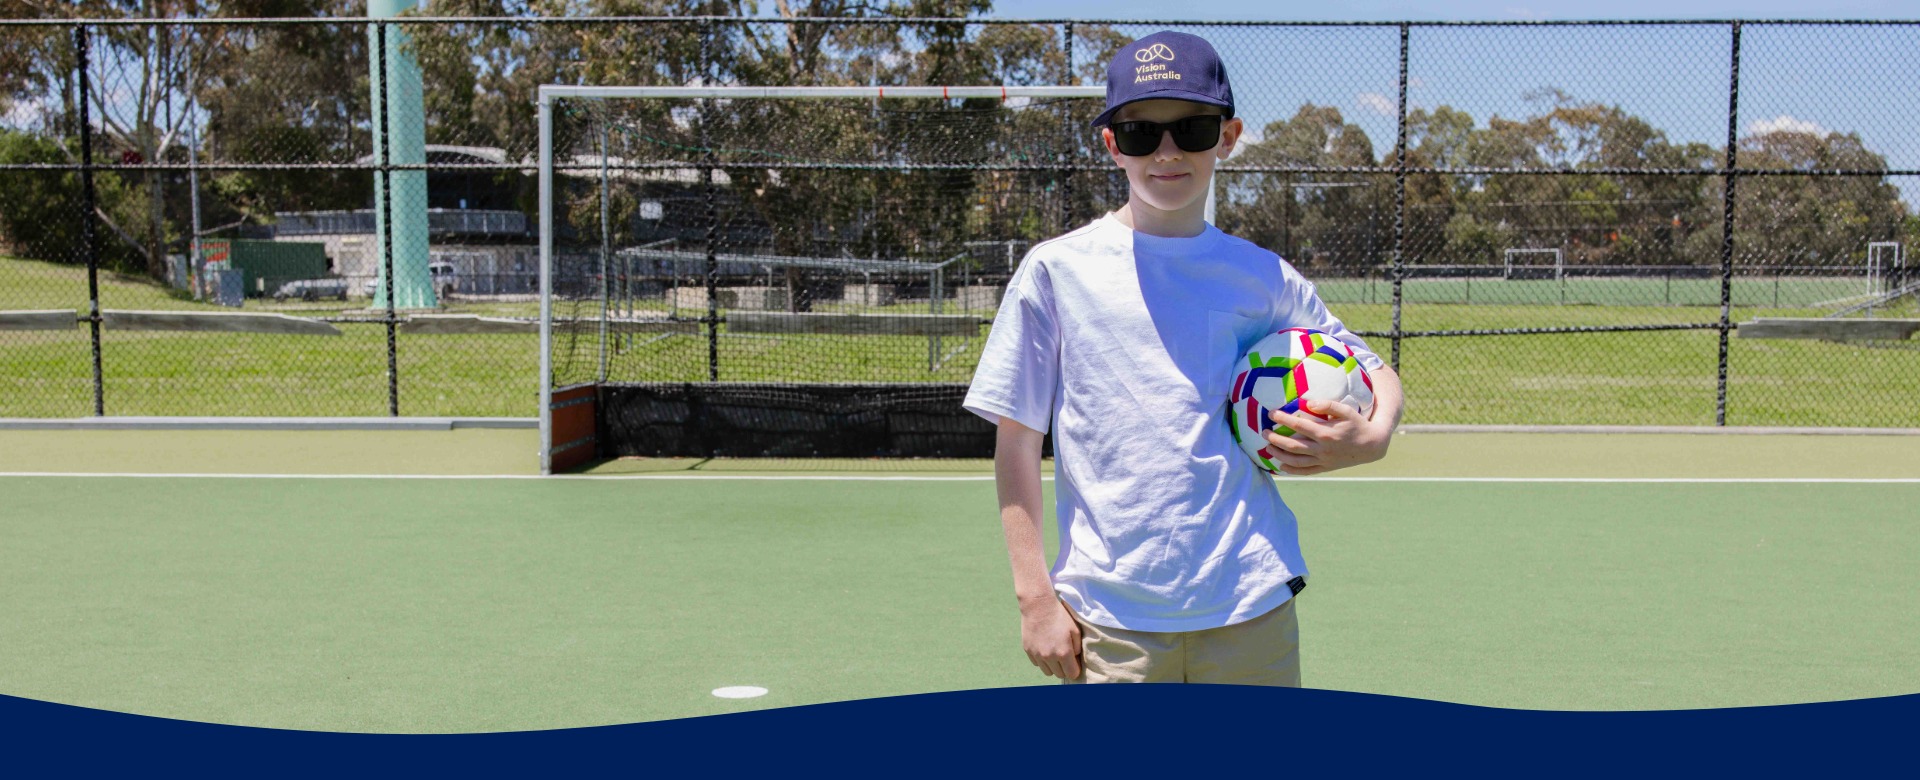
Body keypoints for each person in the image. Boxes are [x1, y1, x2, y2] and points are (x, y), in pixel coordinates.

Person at [962, 30, 1405, 685]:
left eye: (1192, 129)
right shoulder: (1057, 272)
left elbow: (1376, 372)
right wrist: (1035, 598)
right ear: (1113, 145)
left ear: (1227, 137)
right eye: (1142, 133)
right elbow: (1017, 445)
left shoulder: (1261, 277)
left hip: (1250, 603)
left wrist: (1375, 436)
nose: (1167, 153)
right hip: (1112, 618)